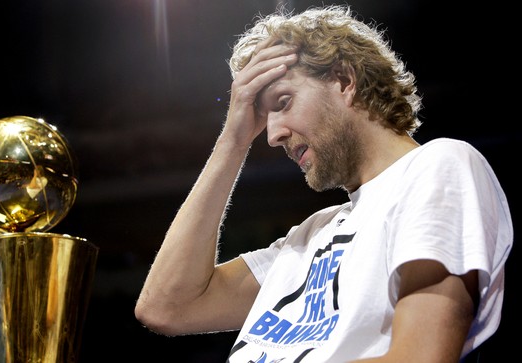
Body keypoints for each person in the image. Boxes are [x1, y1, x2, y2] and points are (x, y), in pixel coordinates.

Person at [134, 5, 513, 362]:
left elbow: (420, 355)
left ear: (345, 80)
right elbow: (166, 306)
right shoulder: (312, 233)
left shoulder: (438, 165)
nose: (272, 136)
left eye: (282, 102)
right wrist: (232, 142)